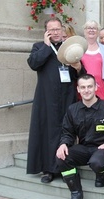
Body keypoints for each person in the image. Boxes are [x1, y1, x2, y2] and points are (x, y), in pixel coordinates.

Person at [56, 74, 104, 199]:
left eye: (90, 86)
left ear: (96, 87)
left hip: (103, 149)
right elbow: (67, 132)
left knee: (96, 162)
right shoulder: (73, 109)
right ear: (78, 89)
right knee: (61, 157)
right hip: (83, 148)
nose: (86, 90)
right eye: (83, 87)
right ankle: (76, 193)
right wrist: (63, 144)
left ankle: (102, 173)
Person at [26, 17, 85, 183]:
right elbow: (33, 63)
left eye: (57, 29)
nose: (55, 32)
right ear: (46, 32)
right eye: (51, 30)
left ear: (62, 29)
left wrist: (79, 67)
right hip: (46, 98)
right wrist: (46, 46)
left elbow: (81, 75)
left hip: (67, 97)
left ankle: (66, 166)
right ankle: (49, 169)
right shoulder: (39, 47)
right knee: (48, 133)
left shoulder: (70, 48)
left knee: (66, 131)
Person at [81, 20, 104, 101]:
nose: (91, 30)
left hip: (101, 88)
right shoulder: (79, 47)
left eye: (94, 28)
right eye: (89, 28)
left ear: (98, 32)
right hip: (83, 88)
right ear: (84, 31)